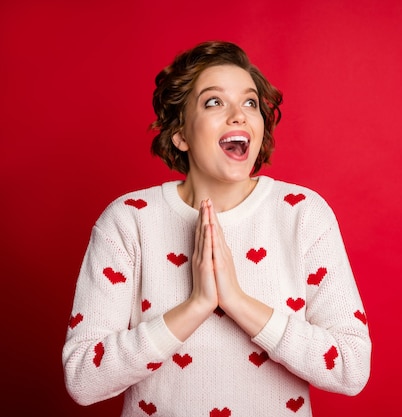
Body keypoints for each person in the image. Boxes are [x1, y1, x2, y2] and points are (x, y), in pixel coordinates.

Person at [62, 40, 371, 416]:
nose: (239, 115)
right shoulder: (129, 220)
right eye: (214, 102)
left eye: (250, 103)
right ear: (180, 134)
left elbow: (351, 368)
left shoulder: (302, 214)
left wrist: (237, 301)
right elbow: (82, 379)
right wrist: (197, 306)